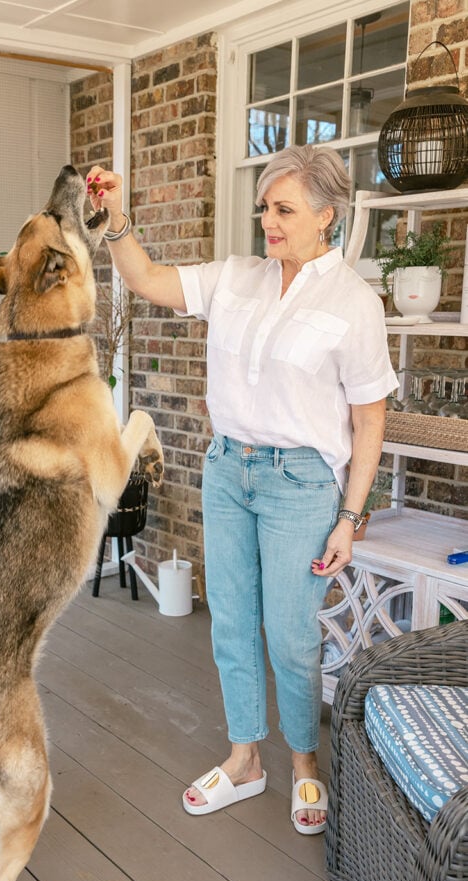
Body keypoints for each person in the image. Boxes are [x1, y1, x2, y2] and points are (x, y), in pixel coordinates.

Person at [86, 145, 398, 834]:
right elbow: (143, 277)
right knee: (229, 620)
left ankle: (305, 763)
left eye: (284, 209)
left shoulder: (353, 304)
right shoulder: (237, 277)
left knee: (289, 634)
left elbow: (369, 415)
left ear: (327, 214)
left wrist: (350, 515)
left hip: (303, 485)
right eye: (265, 208)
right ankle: (245, 759)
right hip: (228, 469)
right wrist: (115, 218)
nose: (269, 222)